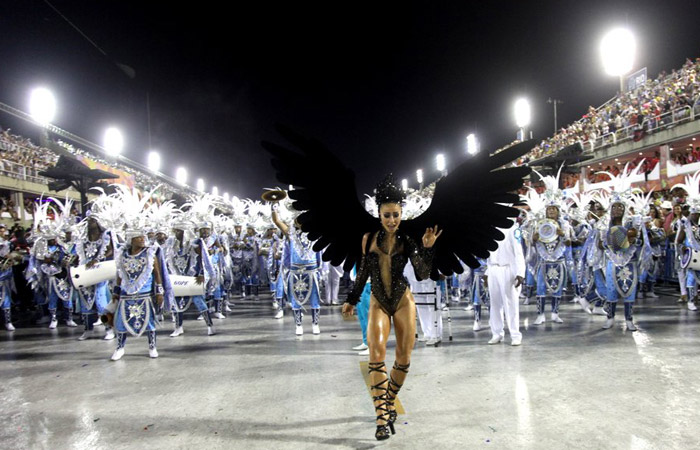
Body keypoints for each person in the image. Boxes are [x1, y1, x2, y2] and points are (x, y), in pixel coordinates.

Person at [342, 176, 440, 440]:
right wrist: (351, 299)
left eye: (396, 215)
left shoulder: (407, 241)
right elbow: (362, 272)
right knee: (375, 355)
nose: (392, 220)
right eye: (387, 215)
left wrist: (428, 249)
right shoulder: (368, 239)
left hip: (402, 300)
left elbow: (421, 274)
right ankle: (382, 418)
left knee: (404, 358)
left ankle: (389, 400)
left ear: (401, 214)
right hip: (377, 300)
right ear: (379, 214)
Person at [484, 218, 525, 346]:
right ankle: (497, 333)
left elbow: (518, 252)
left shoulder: (513, 229)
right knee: (495, 304)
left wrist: (520, 273)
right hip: (493, 269)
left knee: (510, 303)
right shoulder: (489, 229)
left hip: (508, 268)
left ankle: (515, 334)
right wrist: (487, 273)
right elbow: (488, 253)